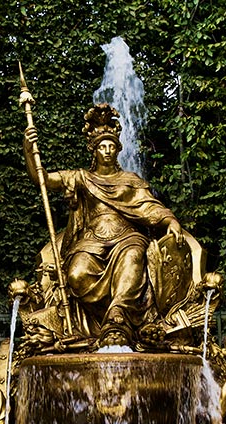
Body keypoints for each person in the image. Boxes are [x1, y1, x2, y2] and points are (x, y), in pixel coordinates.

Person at [23, 103, 186, 347]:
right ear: (94, 151)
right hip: (92, 240)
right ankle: (105, 321)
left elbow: (149, 207)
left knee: (132, 257)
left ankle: (117, 316)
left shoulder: (130, 180)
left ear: (118, 150)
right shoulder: (81, 178)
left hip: (127, 236)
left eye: (112, 146)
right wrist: (28, 148)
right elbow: (42, 180)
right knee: (76, 274)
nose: (107, 150)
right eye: (102, 146)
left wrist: (170, 221)